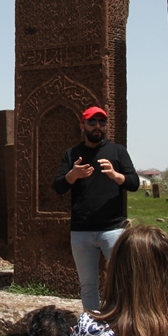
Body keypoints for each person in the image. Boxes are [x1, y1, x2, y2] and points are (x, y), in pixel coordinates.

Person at [53, 106, 141, 312]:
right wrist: (73, 175)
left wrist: (115, 175)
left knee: (123, 282)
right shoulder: (72, 154)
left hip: (113, 229)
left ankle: (122, 326)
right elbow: (58, 186)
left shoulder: (117, 151)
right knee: (88, 286)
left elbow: (134, 183)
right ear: (82, 125)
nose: (98, 126)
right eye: (92, 122)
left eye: (102, 122)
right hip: (81, 230)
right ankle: (93, 328)